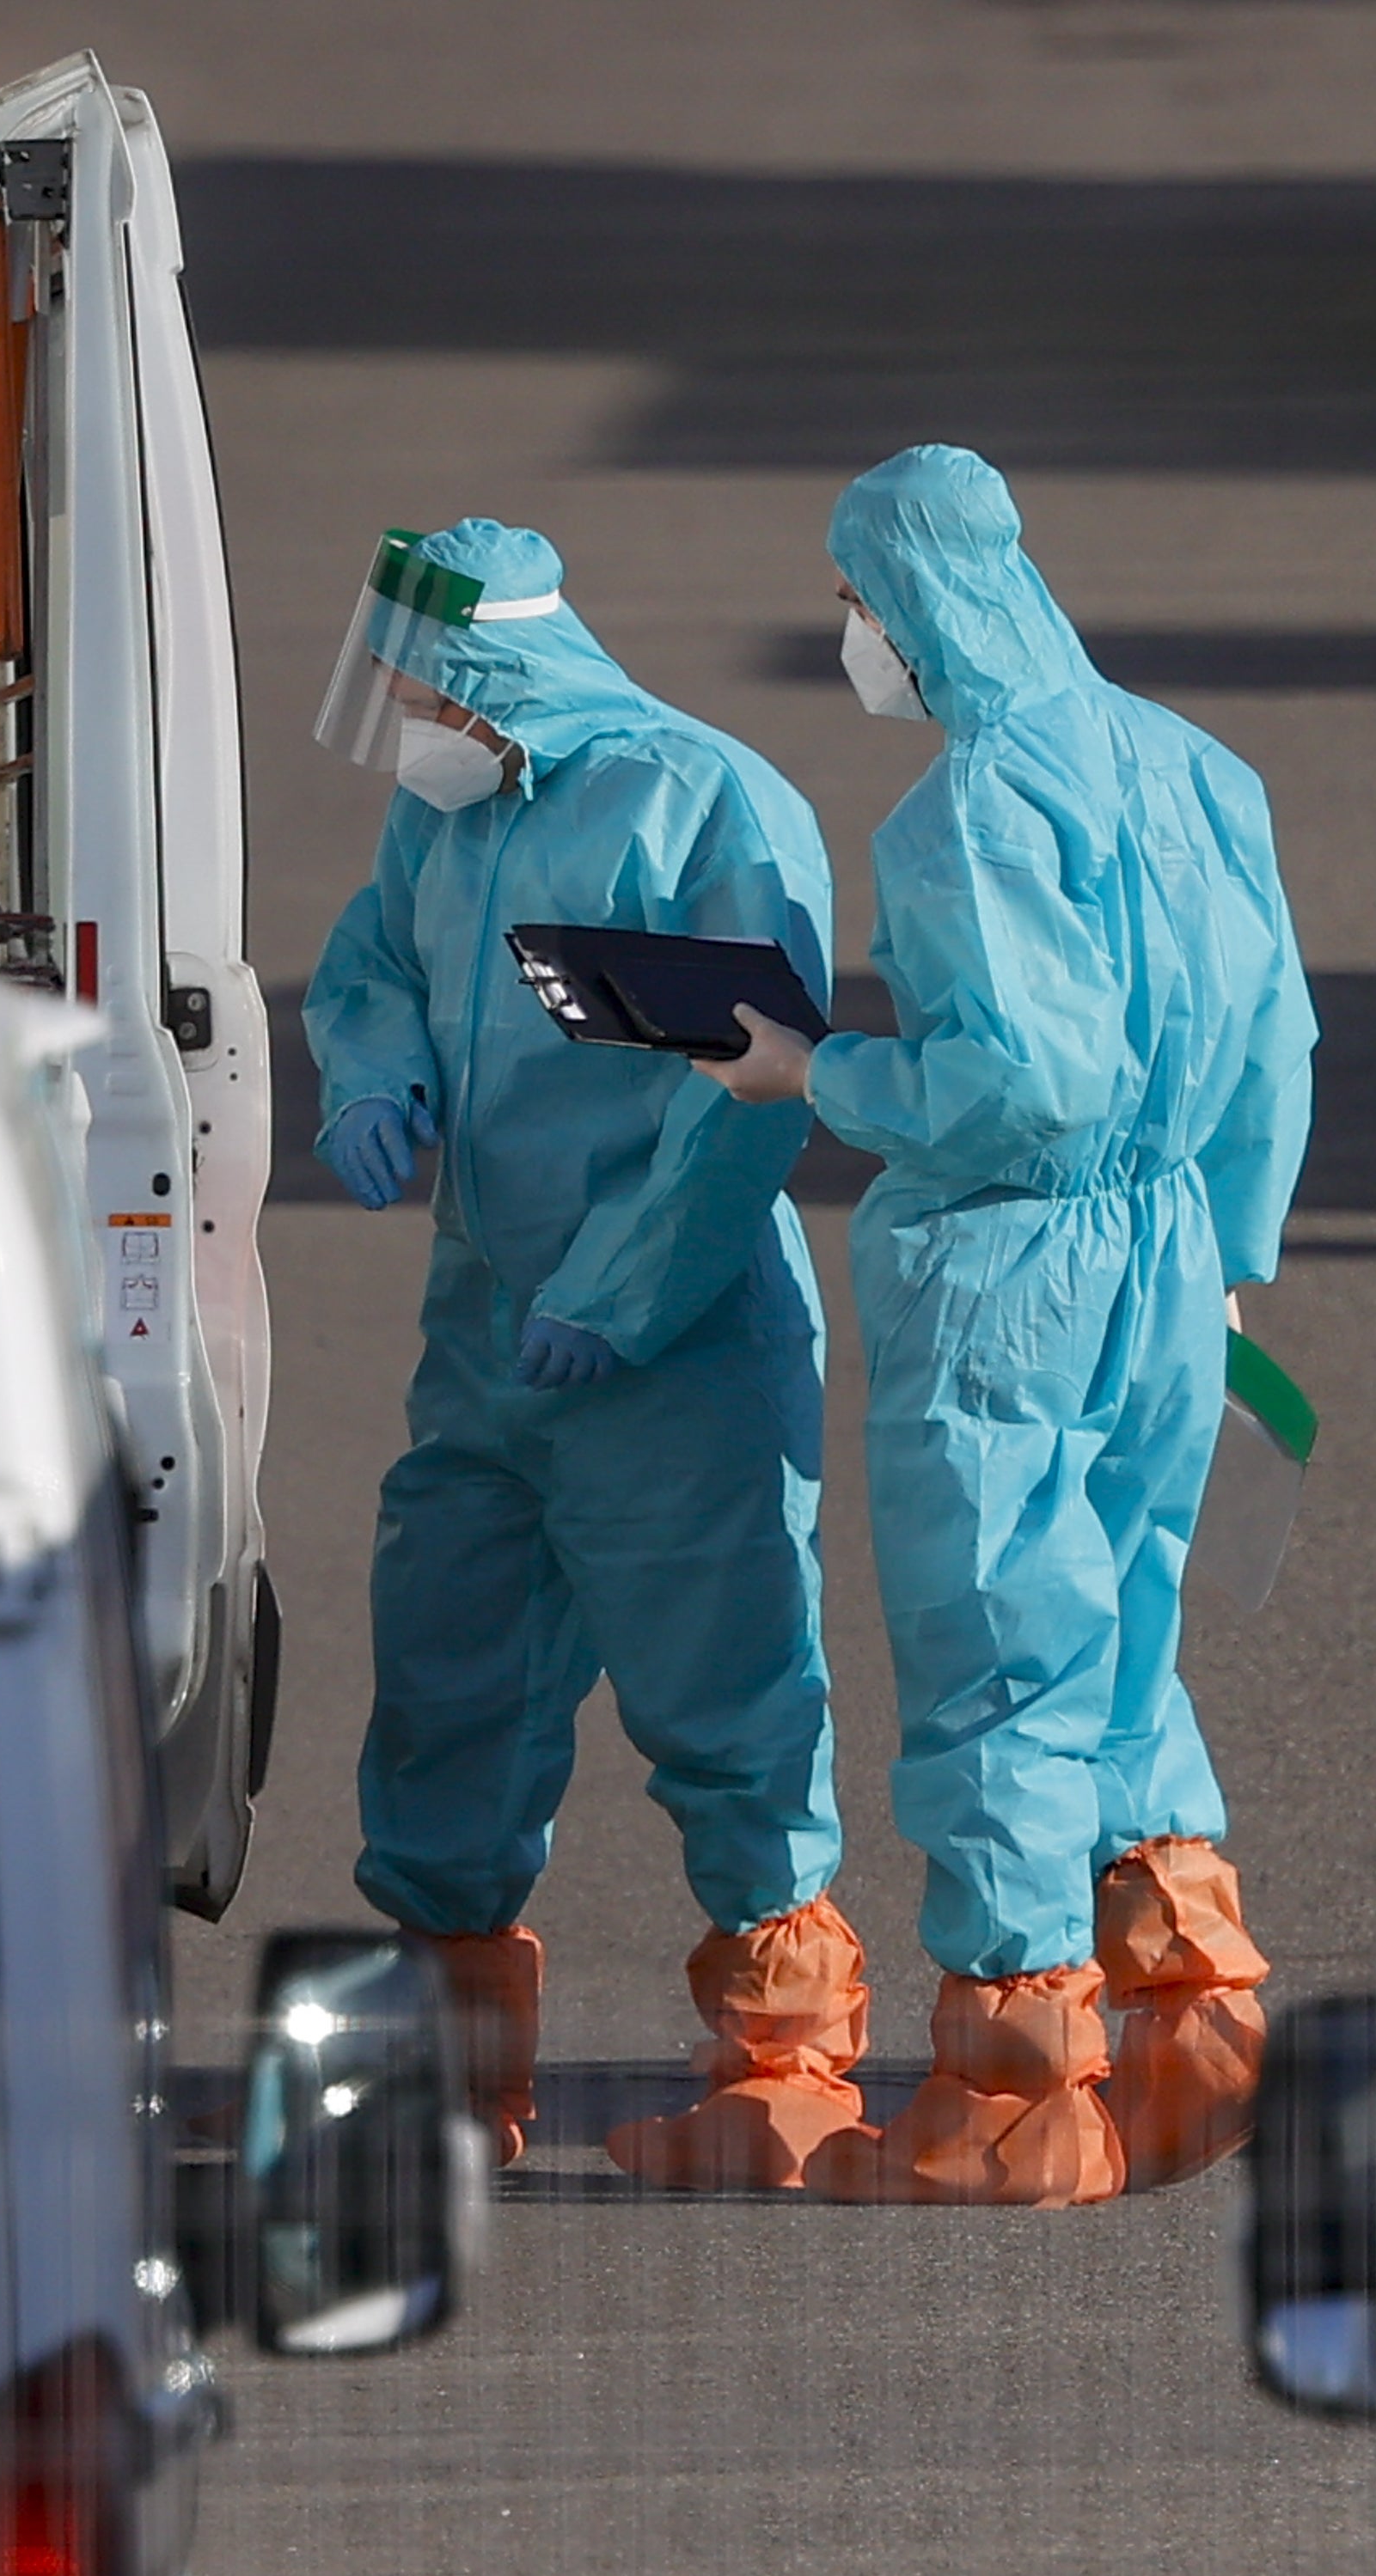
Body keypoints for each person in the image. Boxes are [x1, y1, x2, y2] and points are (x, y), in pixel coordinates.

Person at [711, 444, 1312, 2205]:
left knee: (1000, 1654)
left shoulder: (975, 804)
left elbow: (1018, 1083)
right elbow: (1278, 1040)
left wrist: (816, 1068)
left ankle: (1016, 2090)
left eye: (853, 605)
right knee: (1125, 1631)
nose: (853, 637)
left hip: (1015, 1276)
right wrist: (1231, 1247)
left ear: (910, 605)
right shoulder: (1198, 766)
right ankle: (1196, 2020)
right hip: (1173, 1258)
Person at [301, 521, 869, 2185]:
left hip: (673, 1354)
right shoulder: (448, 809)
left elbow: (745, 1094)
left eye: (416, 693)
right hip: (487, 1333)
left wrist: (617, 1293)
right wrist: (369, 1075)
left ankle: (791, 2056)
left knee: (729, 1685)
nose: (397, 724)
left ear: (490, 680)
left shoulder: (708, 810)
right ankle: (445, 2064)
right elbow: (373, 963)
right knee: (448, 1674)